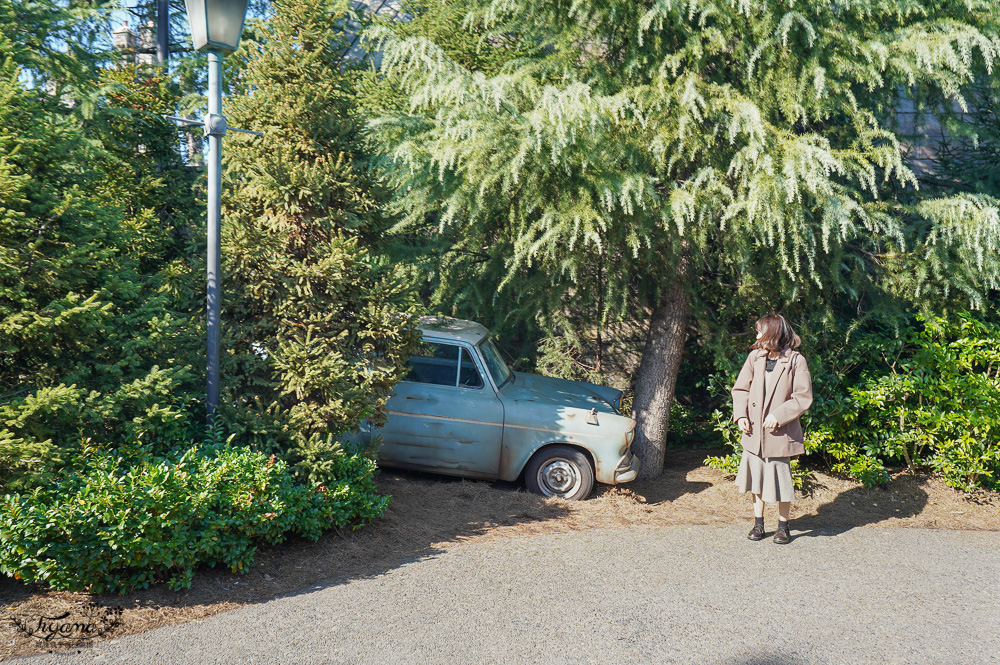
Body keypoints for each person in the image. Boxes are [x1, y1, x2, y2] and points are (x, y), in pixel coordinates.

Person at [731, 314, 813, 544]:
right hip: (753, 433)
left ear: (772, 333)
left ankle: (783, 527)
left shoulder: (797, 361)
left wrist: (779, 415)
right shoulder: (754, 357)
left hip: (780, 434)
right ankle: (758, 525)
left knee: (781, 482)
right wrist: (740, 416)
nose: (756, 335)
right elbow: (740, 390)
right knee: (756, 479)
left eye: (760, 331)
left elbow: (803, 397)